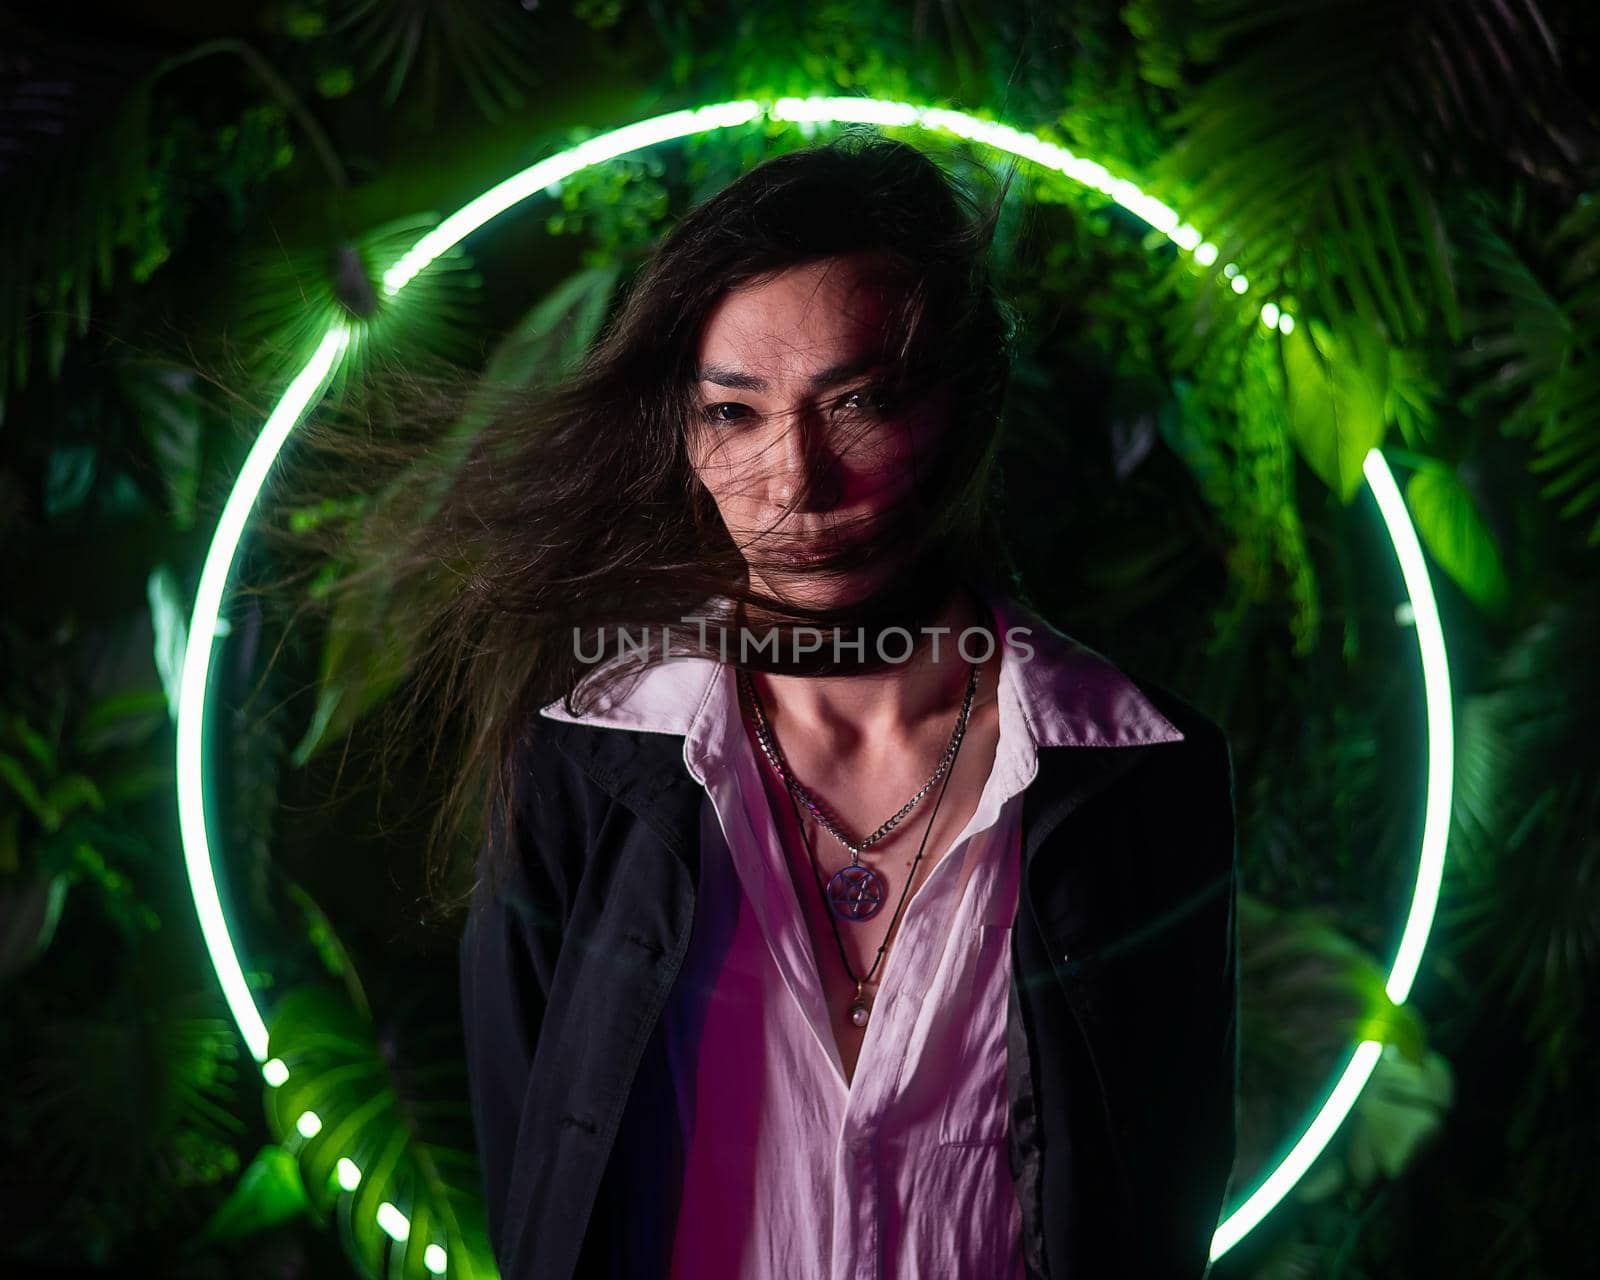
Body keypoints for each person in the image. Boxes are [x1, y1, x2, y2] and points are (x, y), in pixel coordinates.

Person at [448, 132, 1239, 1279]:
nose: (796, 480)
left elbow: (1157, 1208)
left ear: (962, 408)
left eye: (857, 399)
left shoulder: (1140, 774)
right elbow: (544, 1189)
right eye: (733, 412)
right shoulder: (585, 763)